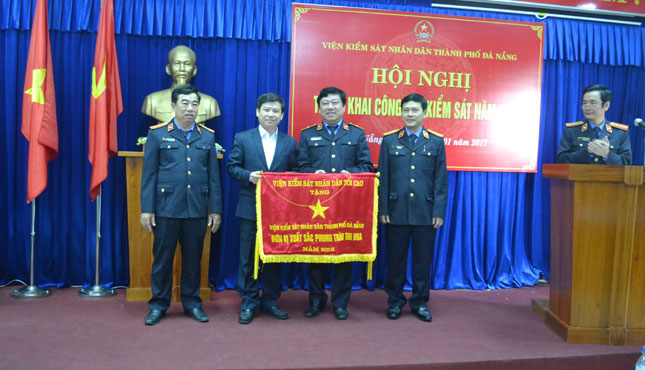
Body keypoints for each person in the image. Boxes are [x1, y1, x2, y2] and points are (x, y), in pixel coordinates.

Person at [140, 85, 223, 325]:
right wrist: (147, 208)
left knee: (193, 261)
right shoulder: (157, 134)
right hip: (166, 209)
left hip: (196, 209)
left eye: (194, 103)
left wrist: (215, 209)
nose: (190, 108)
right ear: (173, 106)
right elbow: (149, 176)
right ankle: (158, 305)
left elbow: (213, 178)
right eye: (185, 103)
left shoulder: (207, 136)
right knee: (162, 260)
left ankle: (192, 303)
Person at [297, 87, 373, 320]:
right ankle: (316, 299)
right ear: (319, 107)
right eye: (325, 104)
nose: (330, 108)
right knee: (316, 254)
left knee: (343, 256)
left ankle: (340, 303)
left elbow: (367, 166)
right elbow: (300, 167)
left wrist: (347, 172)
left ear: (344, 106)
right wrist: (313, 172)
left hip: (345, 206)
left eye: (335, 104)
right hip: (316, 206)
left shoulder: (356, 134)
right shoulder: (308, 134)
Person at [226, 93, 298, 324]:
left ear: (282, 115)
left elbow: (296, 172)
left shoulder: (290, 142)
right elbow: (232, 166)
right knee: (248, 256)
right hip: (249, 207)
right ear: (257, 112)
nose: (270, 114)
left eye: (275, 111)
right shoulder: (243, 138)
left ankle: (270, 300)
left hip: (278, 211)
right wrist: (249, 176)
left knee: (273, 256)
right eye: (266, 110)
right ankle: (248, 301)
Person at [377, 93, 448, 322]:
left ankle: (419, 302)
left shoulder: (436, 141)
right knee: (395, 260)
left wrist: (438, 211)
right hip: (395, 212)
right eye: (406, 110)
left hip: (425, 213)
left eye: (415, 110)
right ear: (401, 112)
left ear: (424, 113)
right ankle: (395, 301)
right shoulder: (389, 140)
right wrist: (383, 208)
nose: (410, 114)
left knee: (422, 261)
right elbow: (384, 178)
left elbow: (440, 181)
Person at [141, 45, 220, 124]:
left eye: (187, 64)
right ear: (168, 69)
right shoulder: (152, 101)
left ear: (194, 70)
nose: (182, 69)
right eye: (177, 64)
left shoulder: (209, 103)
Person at [556, 84, 631, 165]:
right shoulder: (571, 130)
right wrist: (587, 152)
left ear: (606, 105)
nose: (587, 107)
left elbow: (626, 163)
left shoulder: (620, 133)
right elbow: (561, 160)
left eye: (593, 103)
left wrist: (607, 154)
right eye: (584, 103)